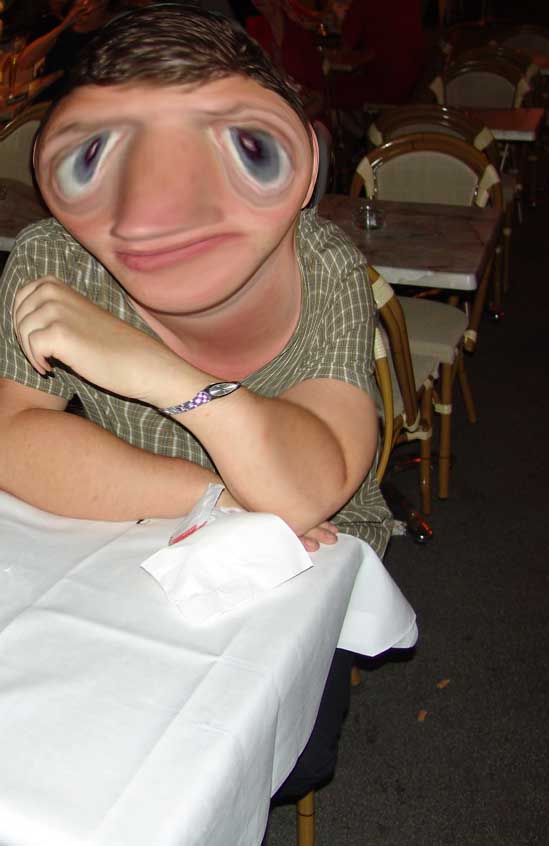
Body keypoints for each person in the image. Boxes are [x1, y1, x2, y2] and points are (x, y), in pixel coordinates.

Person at [0, 4, 393, 799]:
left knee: (271, 759)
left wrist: (159, 372)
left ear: (305, 164)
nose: (153, 213)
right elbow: (12, 437)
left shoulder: (325, 268)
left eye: (250, 149)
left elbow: (306, 491)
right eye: (90, 158)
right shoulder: (54, 260)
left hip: (306, 560)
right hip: (131, 531)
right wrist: (221, 497)